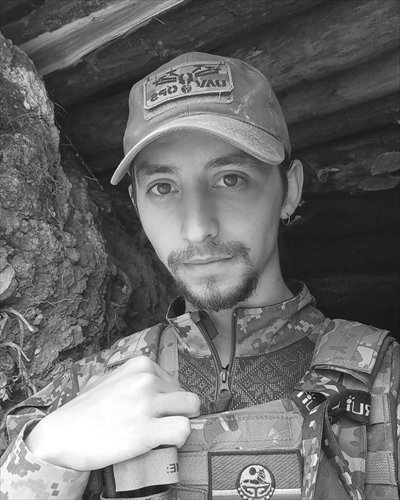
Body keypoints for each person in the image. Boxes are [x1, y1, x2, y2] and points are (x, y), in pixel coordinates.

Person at [1, 52, 399, 500]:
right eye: (163, 188)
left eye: (230, 179)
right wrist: (44, 458)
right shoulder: (78, 395)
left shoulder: (387, 382)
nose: (196, 227)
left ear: (290, 189)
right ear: (136, 205)